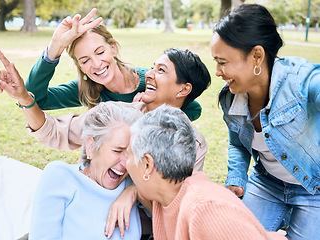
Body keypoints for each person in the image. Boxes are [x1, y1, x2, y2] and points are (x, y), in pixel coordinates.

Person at [0, 47, 211, 238]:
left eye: (161, 71)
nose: (150, 75)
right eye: (153, 68)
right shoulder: (120, 113)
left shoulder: (193, 145)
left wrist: (134, 192)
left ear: (183, 90)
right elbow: (54, 131)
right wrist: (24, 98)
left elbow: (175, 207)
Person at [210, 3, 320, 239]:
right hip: (267, 182)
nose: (217, 71)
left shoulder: (300, 79)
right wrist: (236, 179)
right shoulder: (231, 98)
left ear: (257, 56)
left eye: (222, 62)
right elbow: (238, 145)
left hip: (314, 190)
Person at [124, 104, 286, 240]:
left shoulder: (205, 208)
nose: (125, 162)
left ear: (147, 164)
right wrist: (130, 192)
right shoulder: (164, 195)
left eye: (128, 154)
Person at [24, 8, 202, 121]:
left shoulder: (149, 83)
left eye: (100, 52)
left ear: (113, 49)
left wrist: (147, 113)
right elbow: (35, 98)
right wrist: (55, 48)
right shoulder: (87, 89)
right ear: (80, 67)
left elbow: (194, 109)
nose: (96, 64)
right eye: (85, 60)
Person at [30, 102, 142, 239]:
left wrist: (134, 191)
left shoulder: (134, 183)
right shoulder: (60, 176)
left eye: (131, 154)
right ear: (91, 147)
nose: (125, 163)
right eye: (117, 150)